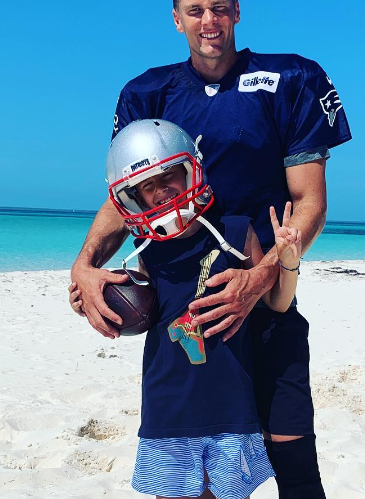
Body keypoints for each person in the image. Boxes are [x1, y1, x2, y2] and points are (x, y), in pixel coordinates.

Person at [70, 0, 352, 499]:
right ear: (177, 19)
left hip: (264, 300)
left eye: (219, 7)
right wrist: (85, 266)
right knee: (200, 485)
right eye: (195, 10)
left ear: (238, 10)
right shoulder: (147, 96)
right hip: (190, 308)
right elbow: (126, 198)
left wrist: (262, 277)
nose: (209, 22)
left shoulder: (290, 79)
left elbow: (308, 202)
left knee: (296, 468)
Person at [72, 118, 302, 499]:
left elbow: (276, 302)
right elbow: (146, 316)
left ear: (191, 170)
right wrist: (93, 301)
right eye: (148, 186)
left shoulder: (236, 230)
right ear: (134, 196)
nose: (161, 191)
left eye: (169, 177)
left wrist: (286, 260)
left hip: (230, 400)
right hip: (169, 403)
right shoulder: (145, 250)